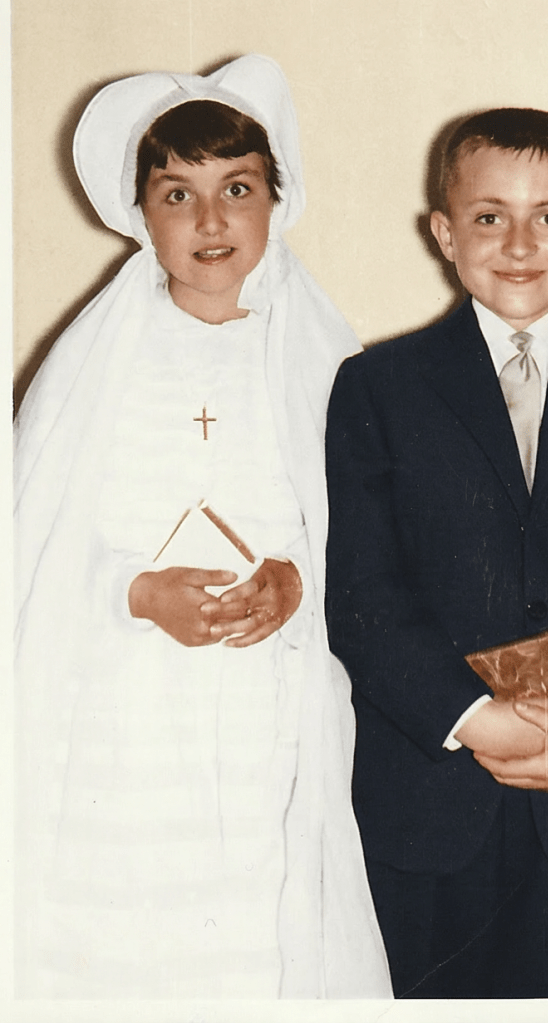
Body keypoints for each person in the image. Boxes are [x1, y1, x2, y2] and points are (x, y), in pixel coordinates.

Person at [14, 54, 391, 999]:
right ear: (141, 212)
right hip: (126, 706)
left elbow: (360, 526)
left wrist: (295, 577)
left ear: (276, 199)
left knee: (254, 937)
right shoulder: (97, 363)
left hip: (267, 700)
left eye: (237, 189)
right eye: (178, 194)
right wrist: (136, 591)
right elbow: (41, 540)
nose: (211, 220)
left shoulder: (325, 360)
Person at [325, 108, 548, 999]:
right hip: (428, 799)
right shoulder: (376, 387)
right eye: (490, 216)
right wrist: (471, 716)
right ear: (445, 233)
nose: (520, 244)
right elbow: (363, 595)